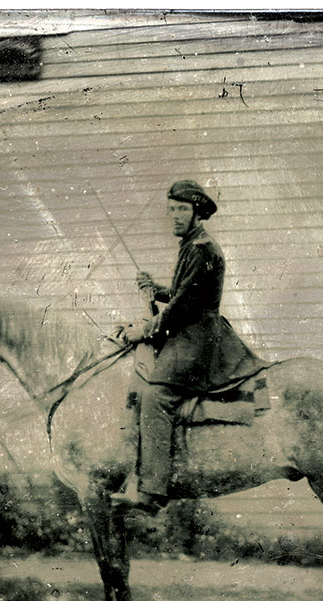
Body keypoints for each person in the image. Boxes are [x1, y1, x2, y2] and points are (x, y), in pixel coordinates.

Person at [113, 180, 266, 513]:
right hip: (192, 330)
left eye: (182, 209)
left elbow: (183, 308)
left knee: (155, 396)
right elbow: (186, 293)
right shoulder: (194, 244)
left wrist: (143, 331)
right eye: (171, 210)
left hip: (195, 340)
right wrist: (156, 289)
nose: (175, 216)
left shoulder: (200, 248)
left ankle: (152, 491)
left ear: (198, 212)